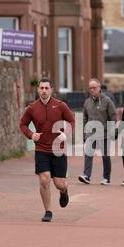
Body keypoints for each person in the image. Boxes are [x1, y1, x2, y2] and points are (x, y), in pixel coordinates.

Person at [20, 77, 75, 222]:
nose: (44, 91)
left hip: (58, 150)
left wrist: (66, 133)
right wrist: (31, 135)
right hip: (41, 149)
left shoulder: (60, 105)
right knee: (44, 180)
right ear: (38, 89)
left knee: (59, 183)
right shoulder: (32, 108)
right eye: (41, 88)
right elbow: (23, 124)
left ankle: (64, 191)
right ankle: (48, 211)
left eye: (46, 88)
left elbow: (71, 120)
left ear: (51, 90)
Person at [78, 78, 117, 185]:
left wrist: (111, 131)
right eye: (90, 88)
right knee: (88, 154)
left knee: (105, 156)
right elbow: (85, 118)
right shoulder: (87, 102)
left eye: (94, 88)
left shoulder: (107, 101)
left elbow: (113, 117)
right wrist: (84, 134)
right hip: (91, 134)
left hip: (104, 134)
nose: (92, 90)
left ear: (99, 88)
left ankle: (106, 178)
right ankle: (86, 176)